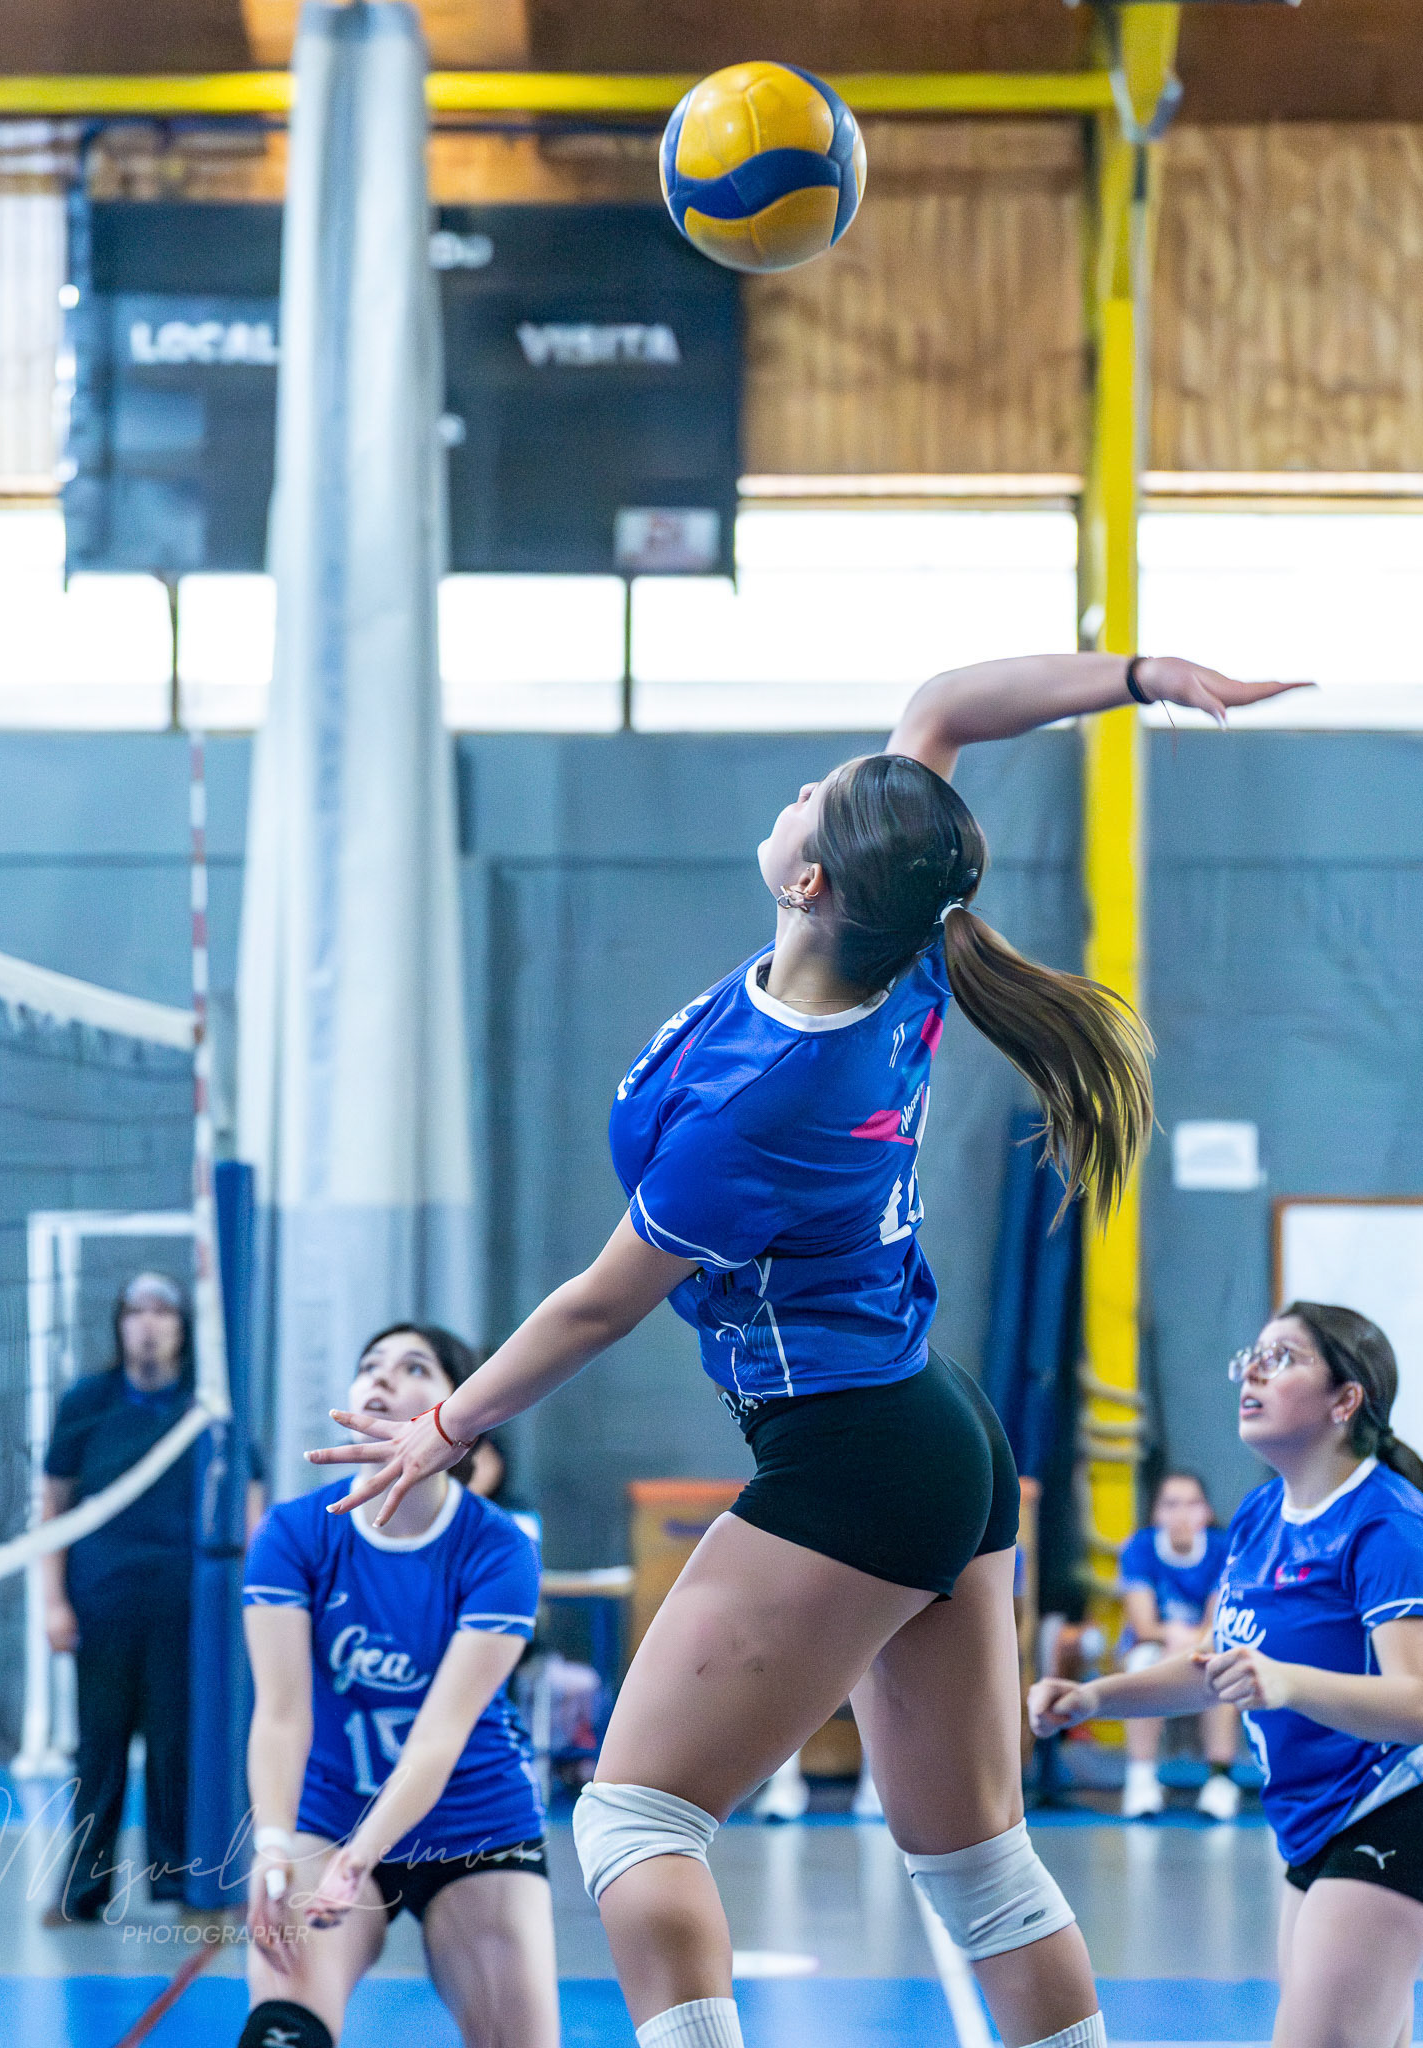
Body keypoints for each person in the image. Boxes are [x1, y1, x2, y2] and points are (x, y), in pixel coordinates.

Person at [309, 652, 1300, 2048]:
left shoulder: (763, 1104)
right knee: (975, 1867)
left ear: (809, 883)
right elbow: (945, 708)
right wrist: (1139, 677)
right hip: (929, 1430)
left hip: (853, 1457)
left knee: (633, 1813)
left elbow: (600, 1303)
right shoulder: (903, 948)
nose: (800, 791)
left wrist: (445, 1424)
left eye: (813, 802)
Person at [1031, 1304, 1423, 2048]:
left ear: (1346, 1401)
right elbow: (1220, 1662)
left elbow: (1418, 1702)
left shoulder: (1387, 1526)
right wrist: (1093, 1695)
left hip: (1395, 1808)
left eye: (1284, 1358)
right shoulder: (1258, 1516)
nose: (1253, 1370)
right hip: (1311, 1822)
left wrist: (1290, 1683)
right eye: (1255, 1353)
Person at [239, 1322, 556, 2048]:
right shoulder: (295, 1534)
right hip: (329, 1810)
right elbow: (281, 1716)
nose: (383, 1376)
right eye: (370, 1364)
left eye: (415, 1367)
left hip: (474, 1823)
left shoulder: (498, 1548)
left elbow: (440, 1735)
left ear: (461, 1417)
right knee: (281, 2034)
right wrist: (275, 1848)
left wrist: (362, 1861)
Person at [41, 1271, 222, 1922]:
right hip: (103, 1603)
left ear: (182, 1324)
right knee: (100, 1749)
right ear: (119, 1323)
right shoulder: (88, 1401)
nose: (147, 1323)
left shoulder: (209, 1400)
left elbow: (248, 1502)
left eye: (162, 1311)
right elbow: (53, 1507)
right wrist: (53, 1602)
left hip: (185, 1609)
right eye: (134, 1310)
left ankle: (182, 1890)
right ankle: (82, 1894)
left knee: (178, 1749)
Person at [1116, 1472, 1238, 1820]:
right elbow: (1144, 1626)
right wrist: (1173, 1642)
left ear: (1207, 1512)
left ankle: (1219, 1781)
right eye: (1171, 1504)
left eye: (1191, 1503)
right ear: (1157, 1513)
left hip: (1201, 1646)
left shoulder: (1222, 1549)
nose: (1181, 1514)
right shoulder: (1140, 1547)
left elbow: (1216, 1624)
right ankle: (1140, 1781)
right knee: (1143, 1663)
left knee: (1219, 1662)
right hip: (1154, 1648)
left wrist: (1187, 1649)